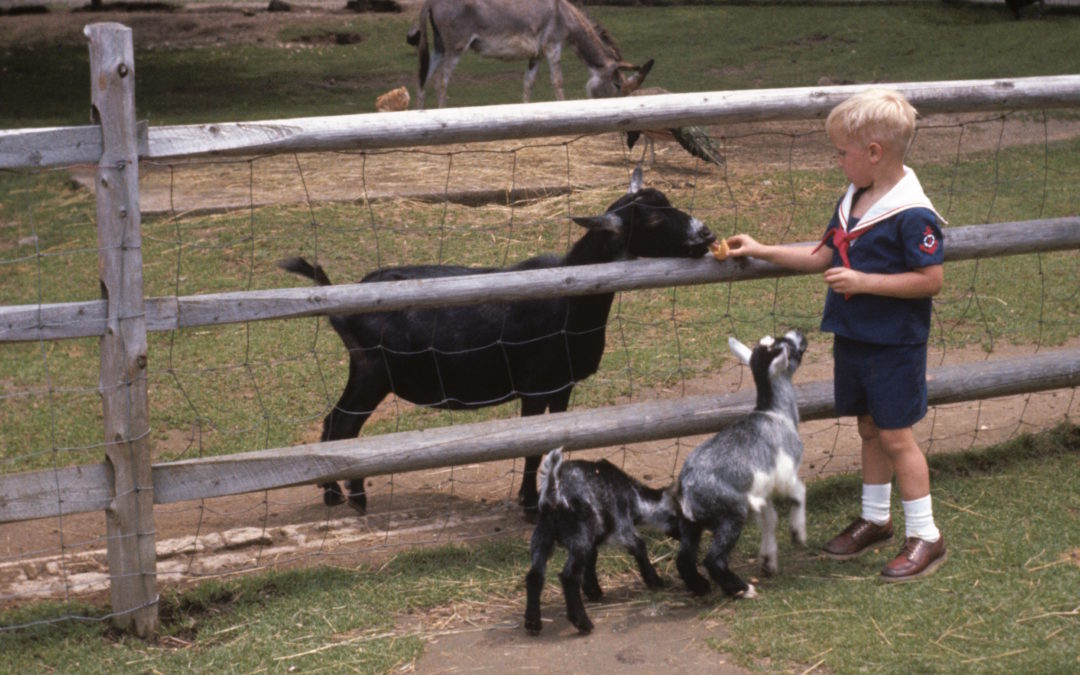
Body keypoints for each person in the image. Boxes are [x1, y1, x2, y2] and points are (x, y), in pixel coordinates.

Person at [725, 88, 947, 582]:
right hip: (855, 337)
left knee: (896, 435)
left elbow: (931, 280)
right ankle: (875, 518)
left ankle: (926, 534)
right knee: (869, 426)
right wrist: (760, 248)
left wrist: (866, 282)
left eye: (842, 152)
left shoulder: (913, 213)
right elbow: (823, 255)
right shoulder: (855, 198)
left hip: (894, 344)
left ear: (874, 153)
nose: (837, 160)